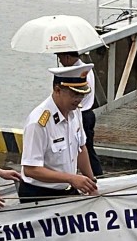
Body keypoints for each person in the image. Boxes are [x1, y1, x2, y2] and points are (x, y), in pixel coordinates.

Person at [19, 63, 99, 203]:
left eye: (82, 94)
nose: (79, 99)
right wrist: (71, 178)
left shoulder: (75, 112)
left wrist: (91, 183)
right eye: (75, 94)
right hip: (40, 194)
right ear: (57, 90)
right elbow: (31, 169)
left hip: (68, 189)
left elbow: (81, 148)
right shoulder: (38, 123)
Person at [56, 50, 102, 176]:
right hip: (86, 112)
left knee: (84, 149)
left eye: (60, 57)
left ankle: (97, 176)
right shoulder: (86, 69)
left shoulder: (77, 73)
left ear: (67, 57)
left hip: (81, 113)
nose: (60, 61)